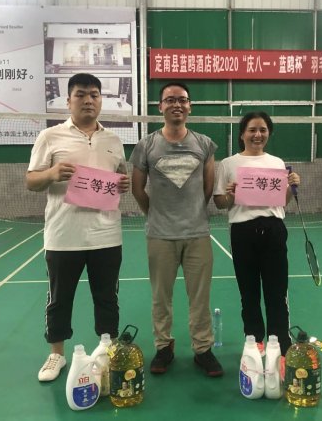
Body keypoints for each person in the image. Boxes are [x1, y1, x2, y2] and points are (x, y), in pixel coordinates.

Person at [26, 73, 129, 382]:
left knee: (107, 298)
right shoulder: (50, 137)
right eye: (81, 94)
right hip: (63, 236)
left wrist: (122, 185)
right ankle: (56, 354)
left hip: (106, 235)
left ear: (101, 100)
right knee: (59, 298)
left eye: (94, 95)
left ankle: (107, 349)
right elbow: (31, 180)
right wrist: (52, 173)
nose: (88, 100)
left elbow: (119, 177)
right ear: (68, 100)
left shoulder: (113, 141)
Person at [130, 82, 223, 377]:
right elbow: (137, 188)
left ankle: (203, 349)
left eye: (182, 100)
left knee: (200, 298)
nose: (176, 104)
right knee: (161, 297)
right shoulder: (146, 145)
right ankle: (163, 346)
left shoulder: (204, 144)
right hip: (160, 235)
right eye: (170, 100)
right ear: (160, 107)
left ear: (190, 106)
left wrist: (192, 213)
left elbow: (208, 187)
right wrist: (155, 215)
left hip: (197, 234)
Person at [213, 111, 300, 371]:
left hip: (274, 230)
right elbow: (220, 203)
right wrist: (230, 195)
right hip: (242, 232)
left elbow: (281, 202)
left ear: (268, 133)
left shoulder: (277, 162)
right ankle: (255, 340)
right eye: (252, 129)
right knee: (248, 292)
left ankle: (281, 342)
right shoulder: (228, 164)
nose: (257, 134)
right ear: (242, 134)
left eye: (263, 129)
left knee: (277, 291)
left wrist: (291, 186)